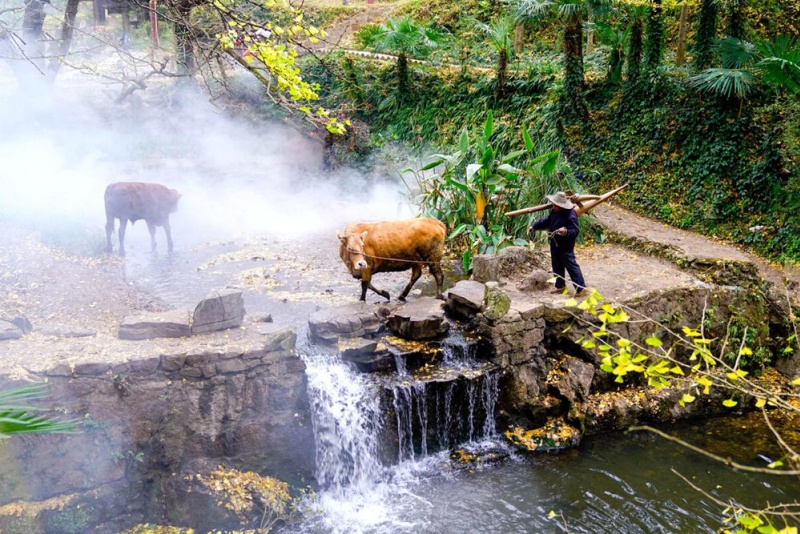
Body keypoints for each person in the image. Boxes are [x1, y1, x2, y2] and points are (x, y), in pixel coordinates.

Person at [530, 191, 588, 297]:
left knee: (571, 265)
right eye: (553, 204)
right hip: (554, 243)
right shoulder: (554, 212)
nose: (554, 206)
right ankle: (560, 286)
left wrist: (565, 231)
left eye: (556, 205)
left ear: (562, 205)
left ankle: (581, 288)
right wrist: (534, 226)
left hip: (565, 245)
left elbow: (575, 231)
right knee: (556, 264)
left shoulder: (571, 215)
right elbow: (547, 221)